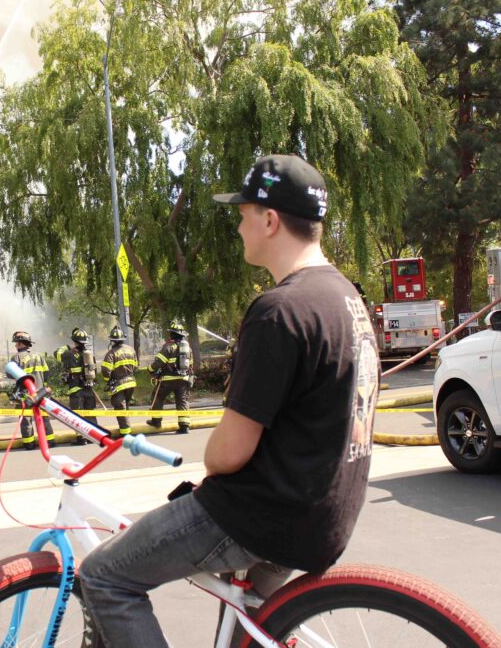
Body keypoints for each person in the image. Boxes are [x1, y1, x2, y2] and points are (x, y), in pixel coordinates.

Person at [79, 154, 380, 646]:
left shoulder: (279, 311)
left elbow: (227, 454)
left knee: (106, 577)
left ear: (269, 220)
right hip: (325, 515)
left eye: (243, 215)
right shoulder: (346, 298)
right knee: (245, 631)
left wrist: (212, 460)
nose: (238, 227)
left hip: (263, 516)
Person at [8, 331, 55, 450]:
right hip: (41, 393)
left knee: (26, 419)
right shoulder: (38, 356)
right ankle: (49, 441)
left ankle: (29, 443)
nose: (15, 346)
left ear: (20, 344)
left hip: (26, 395)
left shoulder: (16, 357)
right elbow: (47, 372)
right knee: (44, 417)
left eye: (16, 343)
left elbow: (10, 374)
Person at [147, 320, 194, 434]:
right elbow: (191, 364)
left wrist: (150, 369)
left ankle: (156, 421)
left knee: (157, 397)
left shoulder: (168, 347)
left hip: (168, 379)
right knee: (182, 401)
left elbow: (159, 363)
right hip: (184, 379)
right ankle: (184, 426)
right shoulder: (188, 348)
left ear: (171, 334)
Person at [59, 327, 98, 445]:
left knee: (77, 413)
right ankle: (93, 436)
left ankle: (81, 438)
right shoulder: (89, 354)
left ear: (74, 341)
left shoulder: (69, 354)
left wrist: (66, 347)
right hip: (89, 387)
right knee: (90, 412)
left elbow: (57, 354)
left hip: (76, 389)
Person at [99, 326, 137, 438]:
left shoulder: (111, 353)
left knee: (120, 408)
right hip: (131, 382)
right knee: (125, 407)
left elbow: (106, 371)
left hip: (118, 385)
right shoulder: (131, 350)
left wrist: (108, 380)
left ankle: (125, 434)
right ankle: (126, 429)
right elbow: (135, 366)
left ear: (112, 340)